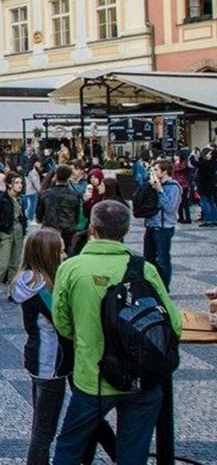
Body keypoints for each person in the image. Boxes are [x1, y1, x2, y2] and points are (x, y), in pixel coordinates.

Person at [51, 201, 183, 465]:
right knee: (133, 454)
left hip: (93, 377)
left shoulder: (72, 268)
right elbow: (175, 326)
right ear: (125, 230)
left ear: (92, 229)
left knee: (69, 446)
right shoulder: (144, 269)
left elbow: (62, 323)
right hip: (140, 376)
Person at [12, 228, 71, 465]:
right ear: (49, 255)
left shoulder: (28, 281)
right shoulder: (43, 288)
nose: (65, 255)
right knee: (44, 430)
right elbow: (64, 323)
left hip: (41, 359)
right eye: (61, 250)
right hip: (51, 362)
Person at [0, 174, 28, 305]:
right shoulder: (1, 199)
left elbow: (23, 216)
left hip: (18, 233)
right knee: (3, 264)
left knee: (15, 264)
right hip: (5, 233)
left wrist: (24, 227)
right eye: (17, 183)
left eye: (21, 183)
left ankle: (10, 291)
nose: (20, 185)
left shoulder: (21, 199)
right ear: (10, 184)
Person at [143, 159, 182, 291]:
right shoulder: (153, 185)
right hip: (151, 224)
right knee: (149, 257)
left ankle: (164, 287)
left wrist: (160, 190)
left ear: (164, 171)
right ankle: (152, 285)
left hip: (164, 226)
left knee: (163, 258)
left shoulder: (173, 187)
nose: (153, 172)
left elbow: (170, 207)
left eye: (156, 170)